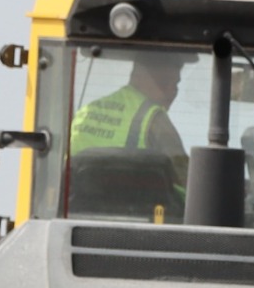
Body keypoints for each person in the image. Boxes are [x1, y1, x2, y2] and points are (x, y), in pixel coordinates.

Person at [71, 51, 190, 212]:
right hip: (135, 216)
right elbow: (187, 185)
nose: (171, 92)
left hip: (79, 212)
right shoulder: (154, 119)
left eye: (175, 85)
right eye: (164, 83)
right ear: (139, 76)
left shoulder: (86, 112)